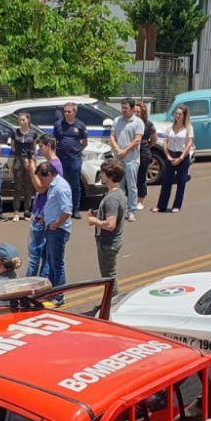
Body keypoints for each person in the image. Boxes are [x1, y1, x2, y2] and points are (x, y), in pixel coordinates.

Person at [87, 160, 126, 292]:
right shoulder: (118, 194)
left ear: (109, 176)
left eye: (102, 173)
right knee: (108, 275)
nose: (101, 176)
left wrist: (95, 221)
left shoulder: (112, 199)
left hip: (108, 242)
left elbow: (110, 225)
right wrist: (98, 214)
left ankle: (112, 303)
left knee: (108, 277)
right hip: (111, 241)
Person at [28, 136, 63, 279]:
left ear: (49, 146)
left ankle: (32, 286)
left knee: (35, 256)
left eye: (41, 147)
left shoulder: (54, 165)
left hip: (42, 214)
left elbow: (41, 188)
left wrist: (31, 170)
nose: (40, 150)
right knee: (44, 254)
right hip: (43, 212)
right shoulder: (52, 163)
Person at [155, 105, 193, 213]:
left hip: (182, 156)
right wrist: (167, 155)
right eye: (176, 113)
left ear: (184, 115)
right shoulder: (170, 127)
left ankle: (176, 206)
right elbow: (165, 141)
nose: (177, 116)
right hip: (171, 155)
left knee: (181, 182)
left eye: (180, 114)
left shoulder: (188, 128)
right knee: (166, 181)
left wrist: (181, 158)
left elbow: (189, 144)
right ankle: (161, 206)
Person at [39, 162, 72, 289]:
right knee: (52, 264)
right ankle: (53, 293)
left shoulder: (60, 187)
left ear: (49, 175)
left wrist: (56, 224)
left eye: (42, 179)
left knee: (57, 265)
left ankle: (58, 296)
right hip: (52, 228)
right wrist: (45, 219)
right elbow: (54, 206)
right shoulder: (53, 186)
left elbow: (67, 211)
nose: (42, 183)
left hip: (58, 230)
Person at [112, 100, 144, 222]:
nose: (123, 110)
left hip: (131, 160)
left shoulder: (138, 122)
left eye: (126, 108)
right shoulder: (117, 120)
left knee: (131, 186)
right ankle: (120, 211)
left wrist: (124, 151)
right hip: (119, 159)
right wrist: (117, 149)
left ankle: (132, 211)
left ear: (132, 109)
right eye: (122, 107)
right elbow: (112, 136)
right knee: (119, 186)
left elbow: (137, 141)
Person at [54, 102, 88, 217]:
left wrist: (77, 150)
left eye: (69, 111)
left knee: (75, 185)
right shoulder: (58, 124)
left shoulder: (81, 125)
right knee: (61, 184)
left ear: (75, 112)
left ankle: (75, 209)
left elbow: (84, 142)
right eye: (65, 111)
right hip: (61, 159)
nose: (66, 113)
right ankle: (62, 208)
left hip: (74, 159)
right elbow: (55, 140)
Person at [9, 112, 37, 221]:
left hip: (29, 160)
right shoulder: (15, 132)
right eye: (20, 120)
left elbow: (34, 149)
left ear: (28, 120)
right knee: (17, 186)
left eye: (23, 120)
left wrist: (32, 161)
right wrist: (20, 157)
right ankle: (16, 212)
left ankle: (27, 211)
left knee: (29, 186)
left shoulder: (33, 133)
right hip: (18, 159)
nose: (21, 122)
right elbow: (13, 147)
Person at [134, 102, 156, 212]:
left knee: (141, 177)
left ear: (143, 113)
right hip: (132, 152)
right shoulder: (131, 123)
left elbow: (154, 140)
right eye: (135, 111)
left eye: (139, 112)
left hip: (143, 151)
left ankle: (140, 200)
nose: (136, 113)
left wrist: (146, 146)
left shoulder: (148, 124)